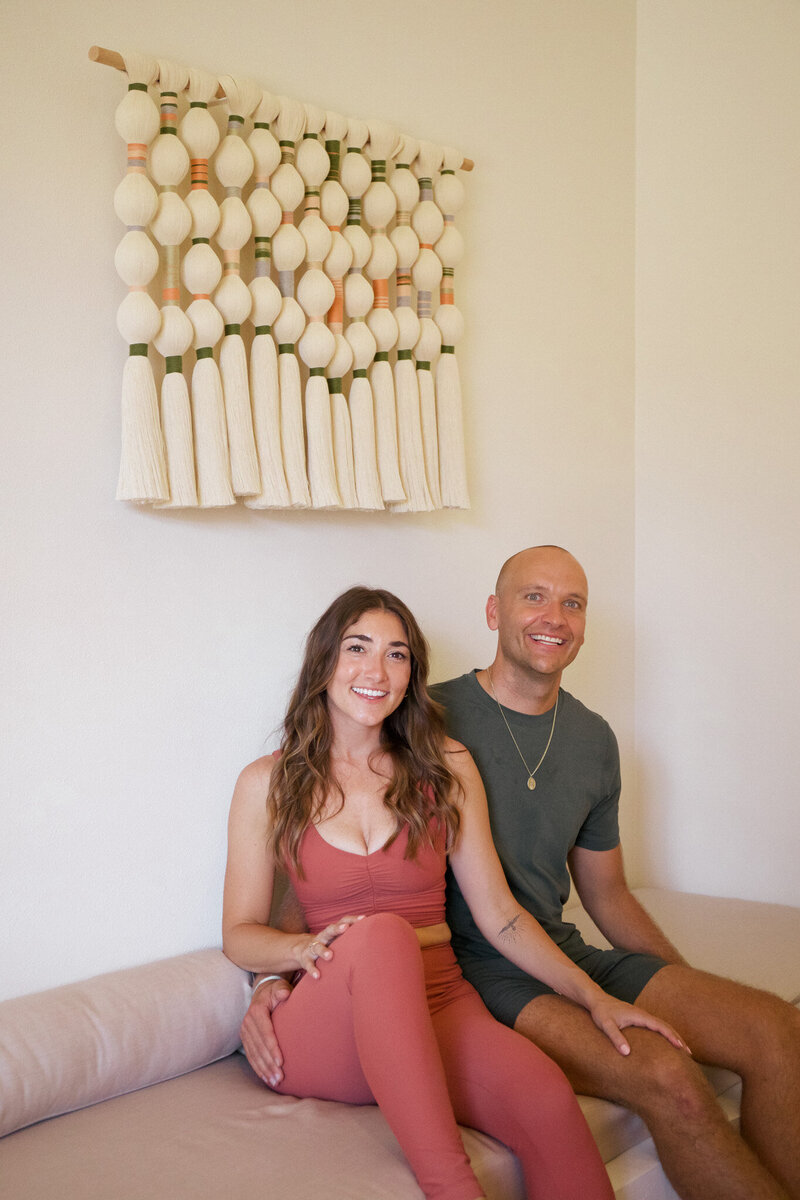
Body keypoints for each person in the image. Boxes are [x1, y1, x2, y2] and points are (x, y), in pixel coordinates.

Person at [224, 585, 687, 1200]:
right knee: (381, 934)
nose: (376, 670)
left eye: (397, 655)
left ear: (412, 674)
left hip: (438, 997)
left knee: (546, 1098)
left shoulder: (446, 766)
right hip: (330, 1024)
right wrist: (293, 958)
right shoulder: (268, 782)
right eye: (357, 648)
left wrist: (592, 996)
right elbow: (240, 933)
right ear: (325, 662)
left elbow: (503, 917)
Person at [430, 545, 800, 1200]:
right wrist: (271, 979)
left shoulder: (593, 739)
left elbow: (607, 893)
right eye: (534, 596)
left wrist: (681, 987)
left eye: (573, 602)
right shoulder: (427, 717)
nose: (556, 617)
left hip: (562, 949)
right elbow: (325, 825)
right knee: (667, 1076)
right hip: (482, 974)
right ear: (494, 610)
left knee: (775, 1027)